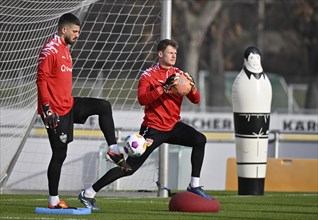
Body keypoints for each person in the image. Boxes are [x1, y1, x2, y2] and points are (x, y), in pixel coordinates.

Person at [78, 39, 212, 210]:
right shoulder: (148, 75)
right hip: (153, 129)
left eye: (175, 54)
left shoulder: (179, 75)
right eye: (171, 53)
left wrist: (192, 87)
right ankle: (88, 193)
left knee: (200, 140)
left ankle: (194, 185)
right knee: (129, 168)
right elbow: (142, 99)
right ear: (160, 54)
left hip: (173, 126)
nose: (174, 56)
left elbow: (196, 100)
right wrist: (162, 88)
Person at [36, 13, 130, 209]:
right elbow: (42, 79)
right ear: (64, 30)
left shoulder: (65, 49)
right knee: (59, 155)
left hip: (68, 104)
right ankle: (53, 200)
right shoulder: (50, 49)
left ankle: (113, 150)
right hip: (54, 111)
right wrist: (47, 109)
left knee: (103, 106)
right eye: (75, 31)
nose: (78, 35)